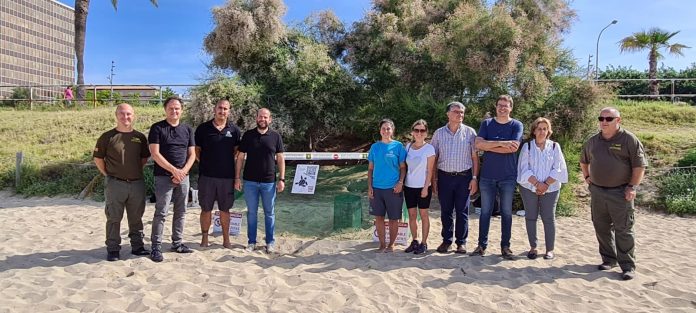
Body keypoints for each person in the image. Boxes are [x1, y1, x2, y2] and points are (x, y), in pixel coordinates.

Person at [580, 107, 647, 281]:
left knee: (624, 229)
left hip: (620, 192)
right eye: (601, 118)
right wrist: (587, 176)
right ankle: (609, 259)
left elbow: (639, 166)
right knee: (601, 227)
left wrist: (632, 186)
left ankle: (627, 266)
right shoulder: (593, 141)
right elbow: (583, 161)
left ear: (618, 120)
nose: (604, 121)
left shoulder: (629, 140)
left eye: (609, 119)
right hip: (598, 192)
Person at [93, 103, 151, 261]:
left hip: (136, 183)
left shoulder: (140, 137)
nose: (125, 117)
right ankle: (113, 249)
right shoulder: (107, 137)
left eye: (128, 114)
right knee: (113, 217)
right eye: (122, 114)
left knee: (136, 217)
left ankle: (137, 246)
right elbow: (98, 159)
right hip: (115, 184)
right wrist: (108, 174)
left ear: (133, 115)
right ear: (116, 115)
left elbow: (144, 158)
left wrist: (133, 171)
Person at [473, 95, 523, 259]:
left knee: (507, 213)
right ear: (496, 107)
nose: (502, 108)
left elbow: (513, 148)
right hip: (487, 176)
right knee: (485, 212)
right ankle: (481, 246)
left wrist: (490, 145)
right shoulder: (487, 123)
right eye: (500, 105)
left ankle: (505, 246)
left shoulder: (516, 125)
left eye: (506, 106)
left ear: (511, 108)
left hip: (508, 176)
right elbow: (478, 144)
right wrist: (502, 143)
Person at [148, 96, 196, 262]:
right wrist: (174, 171)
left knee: (181, 211)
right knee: (161, 212)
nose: (174, 111)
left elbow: (192, 155)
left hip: (184, 177)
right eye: (171, 108)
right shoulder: (157, 128)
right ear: (165, 109)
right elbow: (155, 153)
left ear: (181, 110)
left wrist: (182, 172)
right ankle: (156, 247)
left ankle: (177, 243)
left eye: (177, 108)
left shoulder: (188, 130)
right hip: (163, 177)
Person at [235, 108, 286, 254]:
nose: (262, 119)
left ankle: (270, 242)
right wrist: (237, 177)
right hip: (250, 182)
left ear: (270, 119)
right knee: (252, 213)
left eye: (265, 117)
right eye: (260, 117)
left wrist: (281, 179)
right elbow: (240, 158)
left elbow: (281, 158)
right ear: (256, 118)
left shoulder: (276, 137)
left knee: (269, 213)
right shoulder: (248, 135)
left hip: (269, 182)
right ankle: (251, 242)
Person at [430, 102, 479, 254]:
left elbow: (475, 158)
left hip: (464, 177)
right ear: (448, 114)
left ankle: (461, 243)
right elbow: (434, 158)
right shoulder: (439, 133)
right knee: (446, 211)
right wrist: (434, 180)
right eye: (456, 111)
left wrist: (475, 178)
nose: (460, 115)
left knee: (462, 211)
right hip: (444, 177)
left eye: (462, 112)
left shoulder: (470, 133)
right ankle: (446, 241)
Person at [517, 117, 568, 260]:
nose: (542, 131)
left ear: (548, 131)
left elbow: (559, 169)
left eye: (545, 129)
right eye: (539, 128)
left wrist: (545, 184)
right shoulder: (527, 147)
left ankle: (549, 250)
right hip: (529, 188)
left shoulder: (554, 147)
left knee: (548, 218)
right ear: (534, 130)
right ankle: (533, 247)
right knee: (531, 217)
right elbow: (524, 169)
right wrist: (536, 184)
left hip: (550, 188)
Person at [195, 99, 241, 248]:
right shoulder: (203, 129)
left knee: (225, 209)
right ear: (214, 110)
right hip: (206, 176)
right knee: (205, 208)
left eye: (225, 109)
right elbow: (196, 152)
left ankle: (226, 240)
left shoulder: (234, 130)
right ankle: (204, 238)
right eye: (220, 108)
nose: (222, 111)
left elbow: (236, 152)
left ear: (229, 111)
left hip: (226, 177)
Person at [367, 119, 406, 253]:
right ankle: (382, 245)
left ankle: (391, 245)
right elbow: (370, 169)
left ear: (392, 130)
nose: (386, 131)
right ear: (380, 130)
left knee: (394, 218)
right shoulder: (375, 147)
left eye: (388, 128)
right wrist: (370, 187)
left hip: (393, 189)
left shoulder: (398, 146)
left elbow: (403, 168)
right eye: (383, 128)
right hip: (377, 188)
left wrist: (400, 182)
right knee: (379, 218)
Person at [403, 119, 436, 255]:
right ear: (412, 132)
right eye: (416, 130)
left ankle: (424, 242)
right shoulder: (408, 147)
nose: (419, 133)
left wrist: (425, 187)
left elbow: (430, 170)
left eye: (422, 130)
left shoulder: (429, 149)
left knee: (423, 215)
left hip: (423, 187)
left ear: (426, 133)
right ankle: (414, 241)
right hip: (409, 186)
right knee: (412, 215)